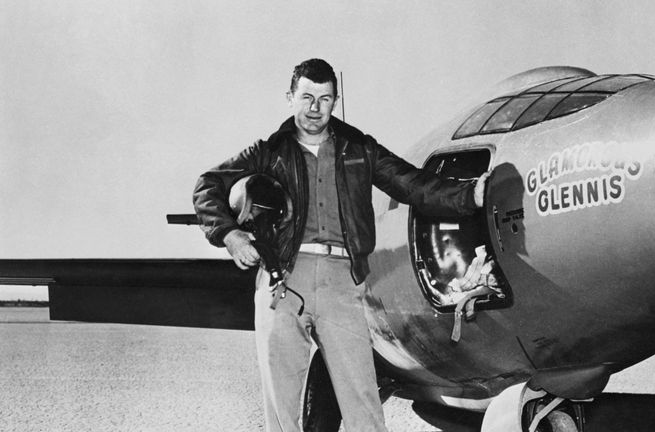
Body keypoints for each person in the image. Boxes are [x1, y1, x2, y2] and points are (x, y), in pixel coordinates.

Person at [193, 58, 489, 432]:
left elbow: (411, 184)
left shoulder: (360, 149)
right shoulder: (268, 151)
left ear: (335, 100)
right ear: (290, 98)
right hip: (282, 280)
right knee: (282, 408)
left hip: (341, 284)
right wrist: (230, 235)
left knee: (363, 404)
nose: (315, 108)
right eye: (306, 97)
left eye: (325, 98)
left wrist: (468, 196)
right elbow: (207, 186)